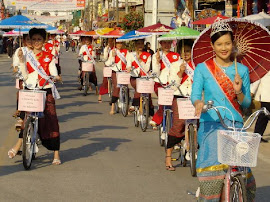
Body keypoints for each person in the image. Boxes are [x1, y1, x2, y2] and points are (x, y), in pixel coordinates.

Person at [191, 20, 255, 201]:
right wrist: (197, 103)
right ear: (212, 45)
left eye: (227, 43)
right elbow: (195, 94)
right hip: (211, 122)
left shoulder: (241, 70)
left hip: (235, 125)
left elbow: (246, 103)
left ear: (233, 44)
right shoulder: (203, 69)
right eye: (219, 44)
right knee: (214, 171)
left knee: (243, 167)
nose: (224, 48)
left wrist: (238, 92)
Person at [8, 28, 62, 165]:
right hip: (30, 89)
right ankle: (20, 143)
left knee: (51, 120)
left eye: (39, 39)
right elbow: (24, 73)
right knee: (26, 119)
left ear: (44, 41)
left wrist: (55, 76)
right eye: (34, 39)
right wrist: (20, 61)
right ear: (30, 41)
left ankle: (56, 153)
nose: (36, 42)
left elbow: (52, 70)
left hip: (45, 90)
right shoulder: (26, 55)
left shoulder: (49, 56)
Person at [126, 39, 154, 116]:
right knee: (139, 87)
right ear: (135, 45)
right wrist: (129, 67)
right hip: (134, 77)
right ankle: (135, 104)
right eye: (138, 43)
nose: (140, 45)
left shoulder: (148, 55)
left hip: (145, 78)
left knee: (148, 94)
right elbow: (128, 64)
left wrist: (140, 60)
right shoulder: (131, 55)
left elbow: (146, 69)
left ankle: (151, 113)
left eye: (141, 43)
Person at [105, 41, 129, 115]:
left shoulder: (126, 52)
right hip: (116, 71)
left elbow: (129, 61)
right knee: (116, 87)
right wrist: (112, 56)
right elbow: (109, 62)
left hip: (124, 72)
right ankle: (112, 106)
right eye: (118, 43)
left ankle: (127, 106)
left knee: (126, 87)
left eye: (121, 43)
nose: (119, 45)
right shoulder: (113, 51)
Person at [251, 71, 270, 143]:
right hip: (266, 96)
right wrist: (252, 92)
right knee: (263, 117)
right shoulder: (265, 67)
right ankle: (257, 136)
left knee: (263, 117)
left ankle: (257, 136)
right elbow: (257, 79)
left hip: (266, 96)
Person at [98, 38, 114, 103]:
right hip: (108, 66)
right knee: (105, 81)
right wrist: (106, 51)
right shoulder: (106, 49)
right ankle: (100, 95)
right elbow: (105, 58)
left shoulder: (117, 49)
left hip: (115, 67)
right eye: (109, 41)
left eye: (112, 41)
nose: (110, 43)